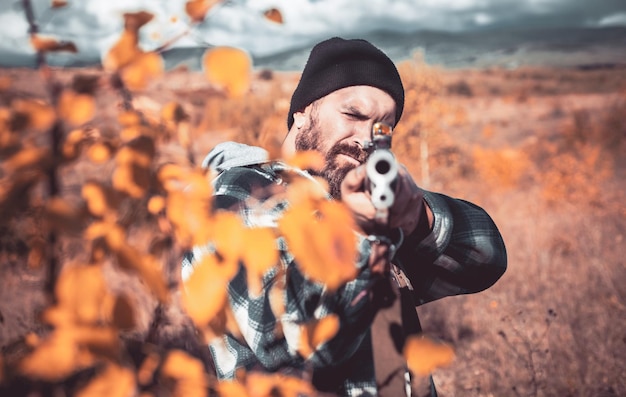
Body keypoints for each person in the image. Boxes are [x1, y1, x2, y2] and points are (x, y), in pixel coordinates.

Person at [182, 37, 507, 396]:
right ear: (302, 112)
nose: (366, 138)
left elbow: (486, 258)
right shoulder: (241, 194)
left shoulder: (361, 205)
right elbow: (296, 348)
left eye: (384, 128)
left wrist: (417, 218)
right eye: (353, 115)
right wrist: (362, 236)